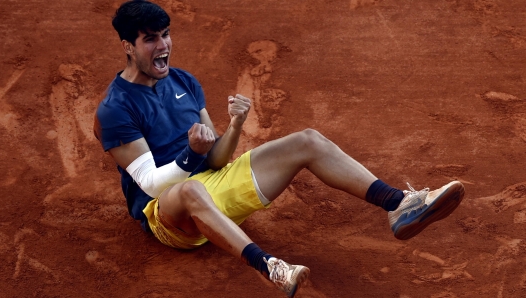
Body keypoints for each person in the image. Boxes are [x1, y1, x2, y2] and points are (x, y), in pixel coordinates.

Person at [93, 1, 465, 297]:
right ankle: (271, 266)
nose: (164, 46)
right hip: (170, 216)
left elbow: (218, 159)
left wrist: (235, 125)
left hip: (211, 186)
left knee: (308, 140)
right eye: (151, 39)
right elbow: (153, 186)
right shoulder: (116, 109)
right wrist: (190, 154)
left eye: (166, 35)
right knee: (190, 188)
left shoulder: (184, 81)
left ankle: (398, 204)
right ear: (128, 46)